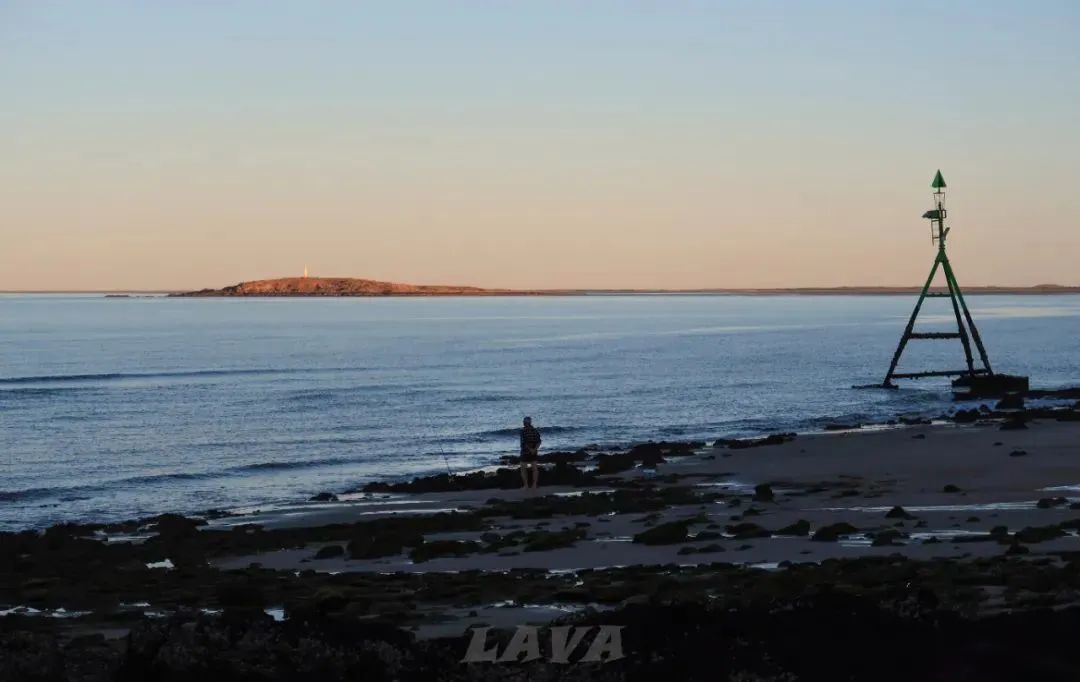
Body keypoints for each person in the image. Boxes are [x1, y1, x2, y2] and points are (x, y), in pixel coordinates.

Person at [519, 416, 542, 490]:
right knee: (534, 468)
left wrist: (530, 449)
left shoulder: (523, 431)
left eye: (524, 421)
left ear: (525, 423)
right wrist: (534, 449)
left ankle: (526, 486)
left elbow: (524, 442)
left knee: (523, 468)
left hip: (525, 452)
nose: (523, 423)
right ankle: (534, 485)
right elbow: (539, 441)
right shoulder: (535, 430)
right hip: (534, 452)